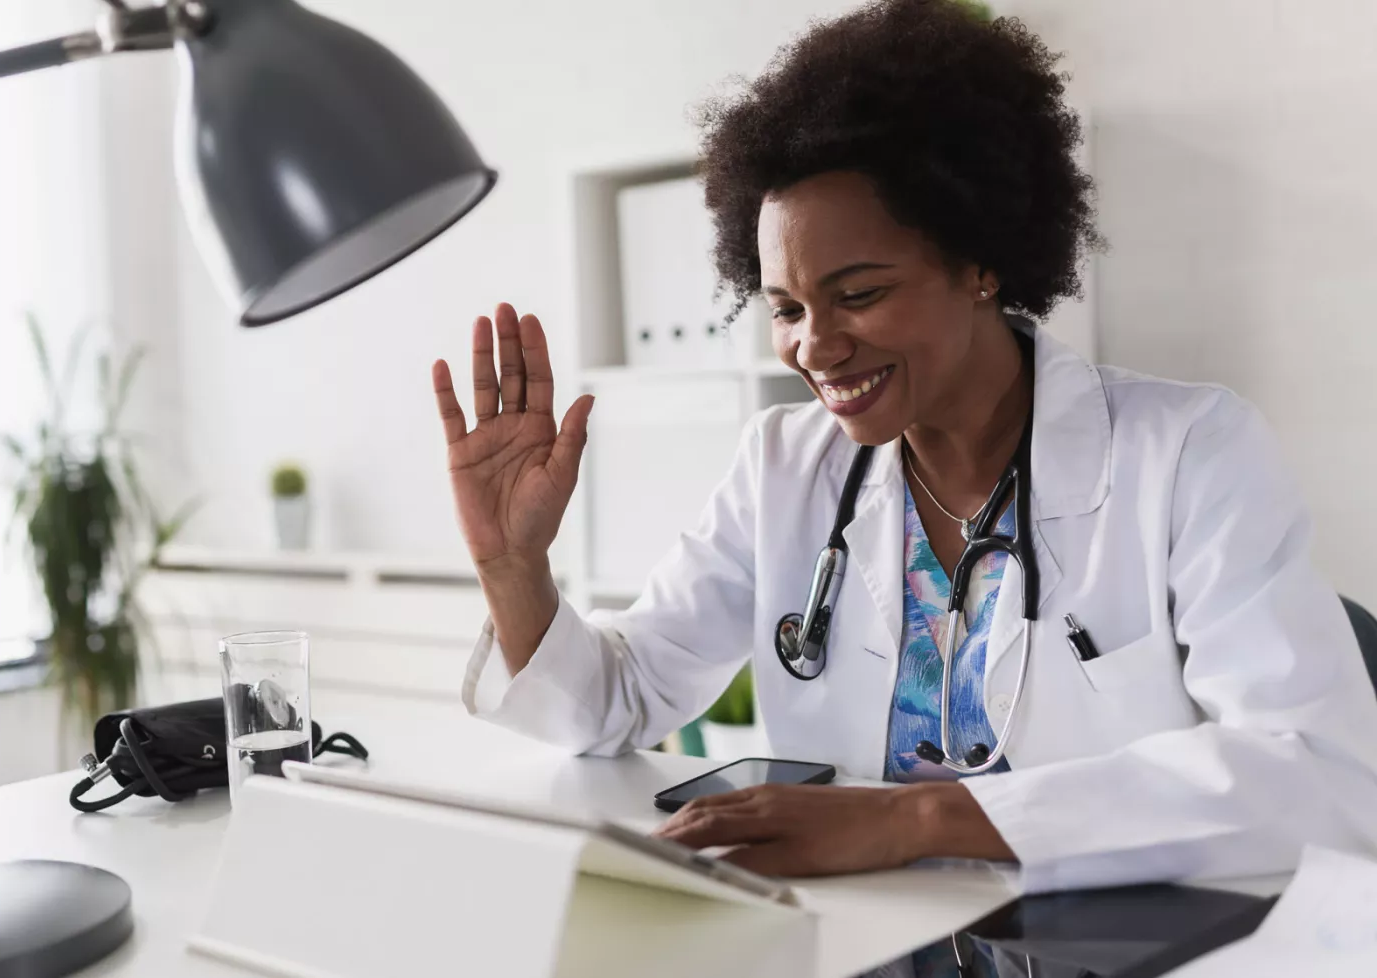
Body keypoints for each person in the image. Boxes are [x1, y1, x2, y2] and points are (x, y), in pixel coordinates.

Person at [428, 0, 1377, 892]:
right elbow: (615, 703)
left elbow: (1318, 774)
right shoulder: (784, 467)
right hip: (866, 934)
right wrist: (514, 567)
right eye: (786, 309)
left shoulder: (1189, 453)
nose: (815, 346)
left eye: (860, 293)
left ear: (980, 262)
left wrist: (915, 819)